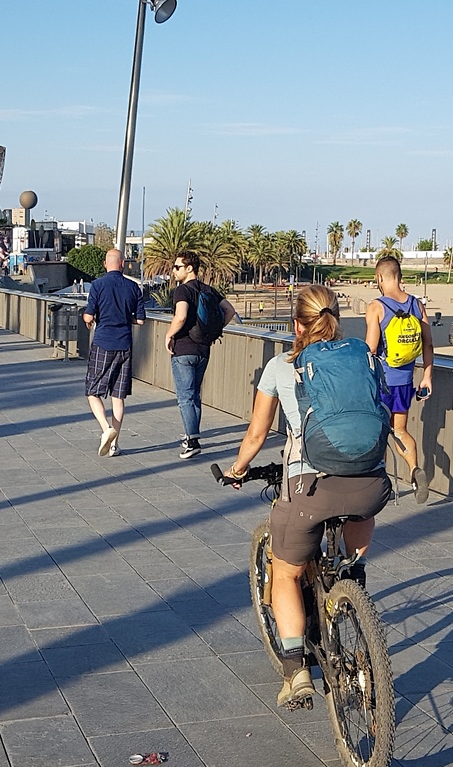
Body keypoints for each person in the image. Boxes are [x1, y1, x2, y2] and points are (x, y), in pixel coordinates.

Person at [226, 284, 393, 708]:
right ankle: (352, 589)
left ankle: (296, 670)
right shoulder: (366, 359)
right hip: (370, 483)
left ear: (297, 324)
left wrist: (238, 468)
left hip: (310, 485)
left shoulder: (282, 367)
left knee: (284, 572)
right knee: (353, 540)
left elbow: (256, 433)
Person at [364, 256, 434, 501]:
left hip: (381, 383)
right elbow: (428, 344)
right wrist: (427, 377)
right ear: (399, 276)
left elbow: (370, 349)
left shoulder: (376, 306)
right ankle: (415, 470)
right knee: (400, 430)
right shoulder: (416, 304)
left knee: (380, 433)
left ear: (380, 277)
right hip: (405, 381)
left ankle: (380, 483)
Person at [164, 251, 238, 459]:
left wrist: (169, 335)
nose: (174, 270)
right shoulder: (210, 290)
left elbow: (181, 317)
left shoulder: (182, 291)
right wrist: (213, 330)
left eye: (177, 267)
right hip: (203, 349)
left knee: (185, 397)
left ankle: (192, 441)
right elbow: (230, 311)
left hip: (184, 349)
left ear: (189, 269)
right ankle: (192, 435)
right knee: (195, 395)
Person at [82, 247, 145, 457]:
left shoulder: (98, 285)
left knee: (92, 390)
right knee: (118, 396)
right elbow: (141, 319)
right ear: (123, 263)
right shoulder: (134, 287)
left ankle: (106, 428)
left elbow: (89, 316)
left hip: (103, 343)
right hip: (125, 344)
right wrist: (124, 319)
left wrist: (90, 319)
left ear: (104, 264)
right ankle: (115, 444)